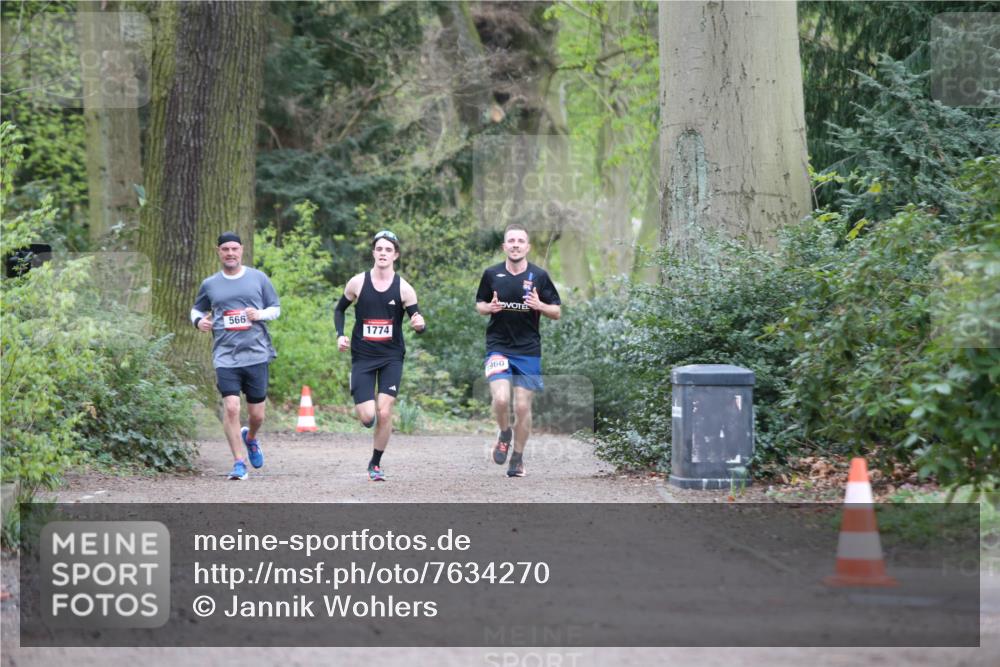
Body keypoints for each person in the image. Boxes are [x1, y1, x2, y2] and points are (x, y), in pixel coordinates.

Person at [334, 230, 425, 481]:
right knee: (368, 417)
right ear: (373, 252)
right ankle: (364, 404)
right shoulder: (357, 283)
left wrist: (420, 325)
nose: (383, 253)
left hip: (391, 358)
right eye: (379, 249)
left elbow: (418, 322)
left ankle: (375, 464)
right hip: (362, 357)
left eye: (388, 250)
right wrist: (340, 334)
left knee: (385, 412)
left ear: (395, 255)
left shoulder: (405, 289)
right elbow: (339, 310)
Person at [191, 232, 280, 481]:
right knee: (231, 408)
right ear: (218, 252)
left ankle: (250, 438)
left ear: (241, 250)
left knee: (257, 416)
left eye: (234, 249)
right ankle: (239, 463)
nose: (230, 253)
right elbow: (196, 309)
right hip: (225, 356)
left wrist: (259, 315)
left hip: (256, 354)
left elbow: (276, 308)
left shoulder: (258, 278)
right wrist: (199, 321)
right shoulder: (210, 284)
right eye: (225, 249)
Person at [475, 223, 561, 477]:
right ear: (504, 246)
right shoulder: (492, 274)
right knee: (501, 399)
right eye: (510, 241)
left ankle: (518, 458)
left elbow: (556, 311)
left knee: (523, 408)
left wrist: (540, 305)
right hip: (498, 347)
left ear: (527, 247)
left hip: (528, 350)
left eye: (520, 241)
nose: (515, 245)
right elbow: (480, 303)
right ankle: (504, 432)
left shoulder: (539, 276)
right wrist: (488, 308)